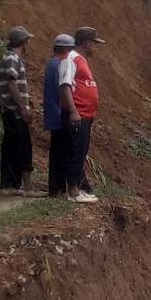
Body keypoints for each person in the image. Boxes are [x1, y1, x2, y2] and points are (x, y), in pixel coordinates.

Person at [0, 26, 46, 197]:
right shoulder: (12, 58)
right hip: (15, 111)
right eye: (27, 41)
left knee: (11, 147)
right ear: (24, 42)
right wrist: (22, 107)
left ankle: (9, 185)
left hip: (9, 110)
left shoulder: (8, 57)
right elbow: (11, 83)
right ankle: (28, 188)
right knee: (23, 146)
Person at [58, 26, 105, 204]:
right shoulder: (70, 59)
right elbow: (65, 86)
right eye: (95, 43)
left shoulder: (80, 59)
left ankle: (77, 187)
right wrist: (73, 111)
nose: (96, 47)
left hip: (85, 114)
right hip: (78, 114)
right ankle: (73, 192)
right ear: (87, 42)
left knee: (80, 151)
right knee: (75, 151)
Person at [42, 33, 93, 197]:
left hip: (56, 113)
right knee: (67, 152)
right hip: (60, 114)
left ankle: (57, 189)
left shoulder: (53, 64)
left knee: (59, 153)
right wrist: (71, 111)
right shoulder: (60, 64)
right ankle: (67, 188)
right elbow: (64, 89)